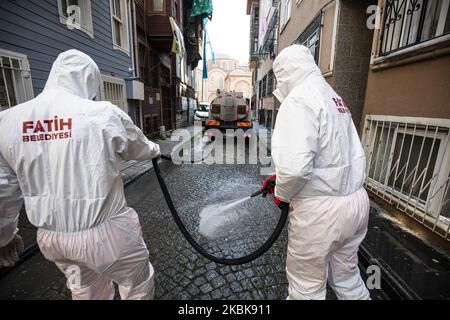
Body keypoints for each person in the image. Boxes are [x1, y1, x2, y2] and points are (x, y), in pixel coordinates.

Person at [0, 49, 160, 300]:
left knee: (86, 290)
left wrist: (4, 236)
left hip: (55, 243)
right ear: (88, 80)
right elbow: (139, 148)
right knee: (136, 284)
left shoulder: (7, 122)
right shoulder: (103, 114)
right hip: (108, 236)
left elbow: (3, 191)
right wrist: (156, 149)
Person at [262, 45, 371, 300]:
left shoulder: (299, 99)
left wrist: (282, 192)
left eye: (279, 79)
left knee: (306, 289)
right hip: (355, 204)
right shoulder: (333, 96)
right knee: (346, 277)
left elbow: (296, 169)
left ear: (286, 73)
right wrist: (283, 181)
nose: (279, 86)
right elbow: (330, 155)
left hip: (321, 215)